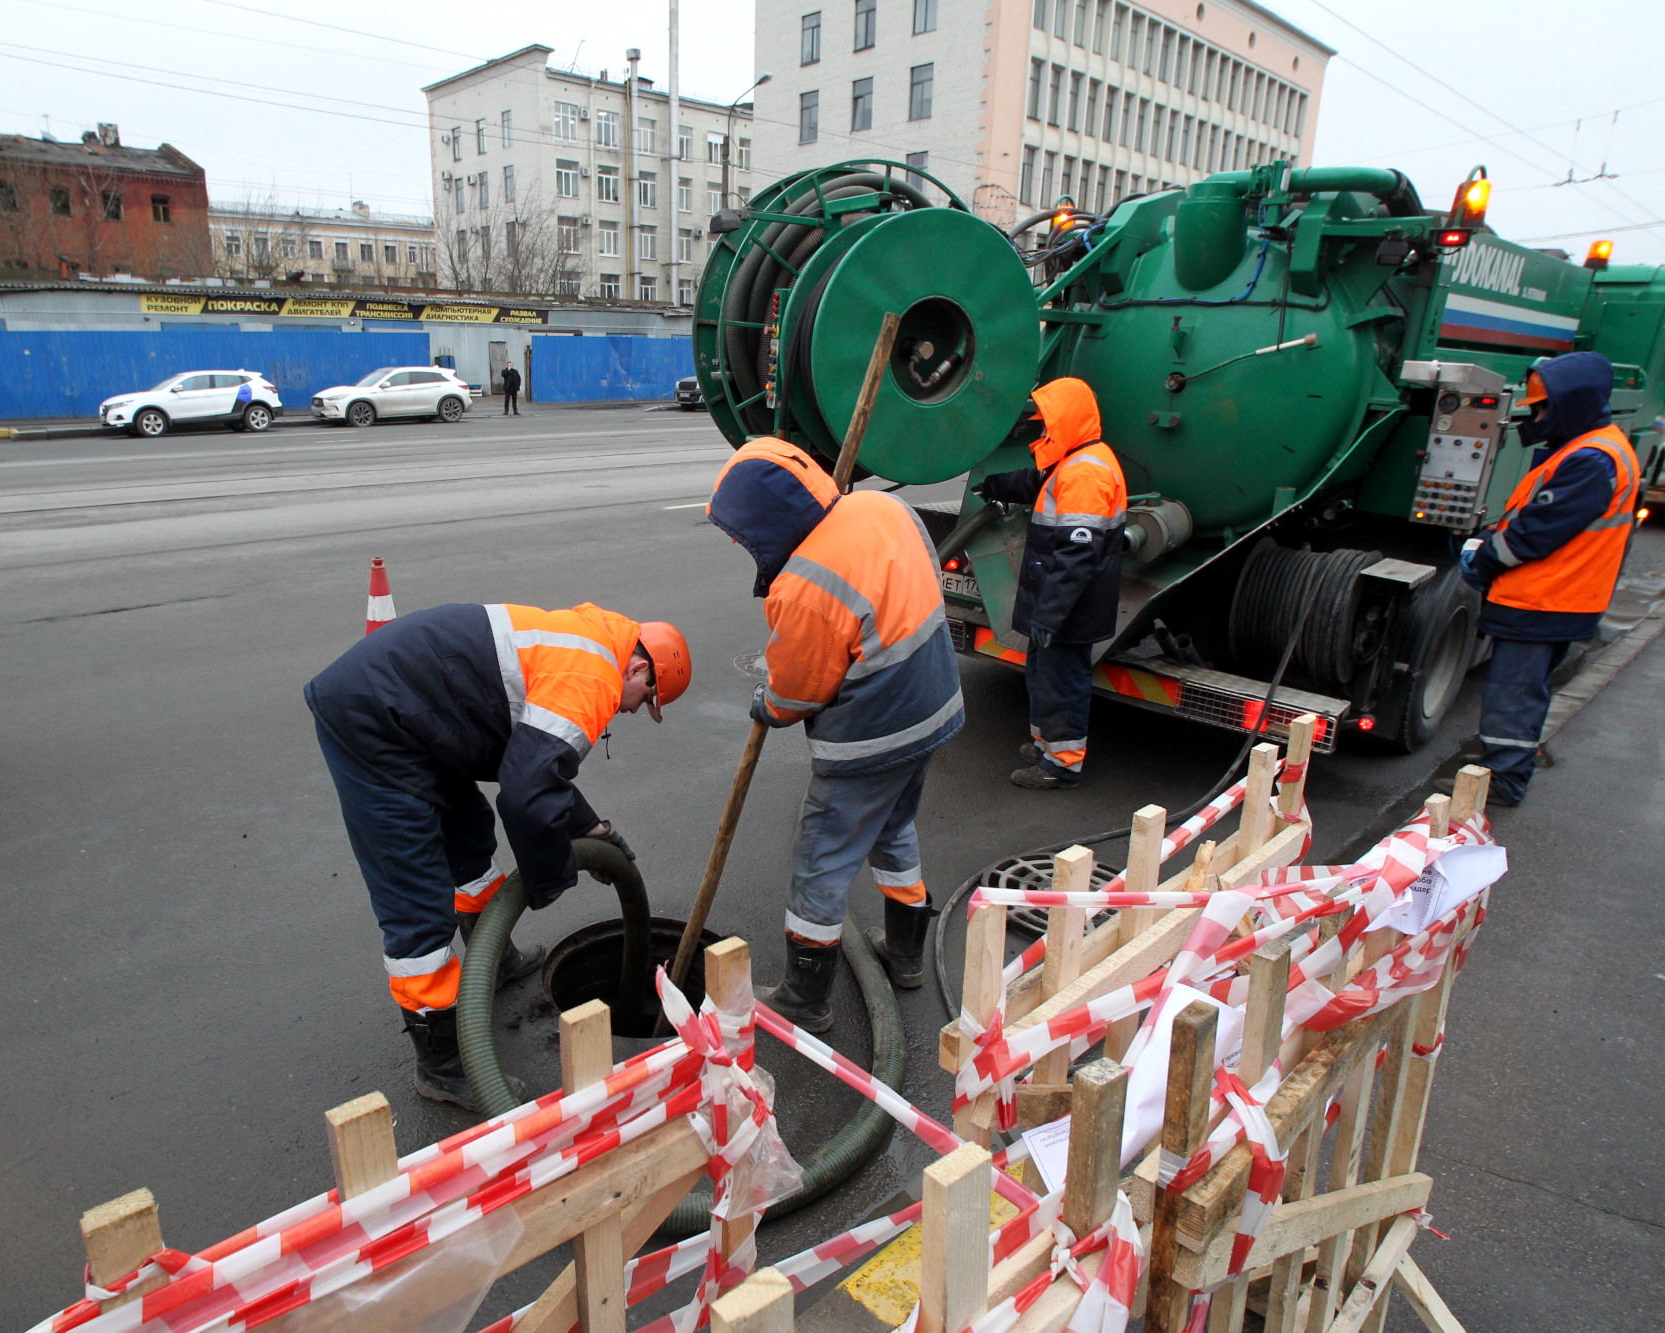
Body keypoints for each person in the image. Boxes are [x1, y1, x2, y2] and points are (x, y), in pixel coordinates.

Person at [305, 602, 691, 1108]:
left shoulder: (589, 643)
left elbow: (534, 765)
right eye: (646, 700)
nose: (633, 709)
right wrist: (549, 878)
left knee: (467, 831)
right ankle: (441, 1065)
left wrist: (595, 832)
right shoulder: (594, 679)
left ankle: (494, 958)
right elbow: (528, 794)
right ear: (639, 668)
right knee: (415, 894)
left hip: (418, 709)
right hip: (375, 718)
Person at [708, 437, 964, 1028]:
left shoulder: (804, 587)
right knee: (894, 826)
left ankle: (806, 996)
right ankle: (905, 959)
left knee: (822, 856)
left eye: (740, 531)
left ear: (765, 521)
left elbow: (799, 693)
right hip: (934, 708)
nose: (737, 543)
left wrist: (767, 705)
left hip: (871, 738)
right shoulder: (882, 509)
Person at [1459, 351, 1639, 807]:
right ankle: (1504, 772)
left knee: (1512, 699)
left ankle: (1503, 782)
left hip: (1545, 600)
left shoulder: (1592, 458)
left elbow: (1536, 533)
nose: (1535, 418)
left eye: (1542, 408)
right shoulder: (1595, 447)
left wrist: (1484, 560)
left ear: (1571, 404)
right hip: (1555, 597)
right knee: (1519, 695)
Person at [975, 377, 1128, 790]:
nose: (1043, 432)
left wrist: (1050, 614)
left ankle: (1062, 765)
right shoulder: (1072, 462)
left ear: (1068, 421)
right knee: (1045, 675)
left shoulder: (1086, 474)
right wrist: (994, 485)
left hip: (1070, 609)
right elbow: (1035, 483)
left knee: (1062, 681)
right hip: (1061, 605)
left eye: (1047, 424)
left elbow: (1078, 556)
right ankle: (1047, 744)